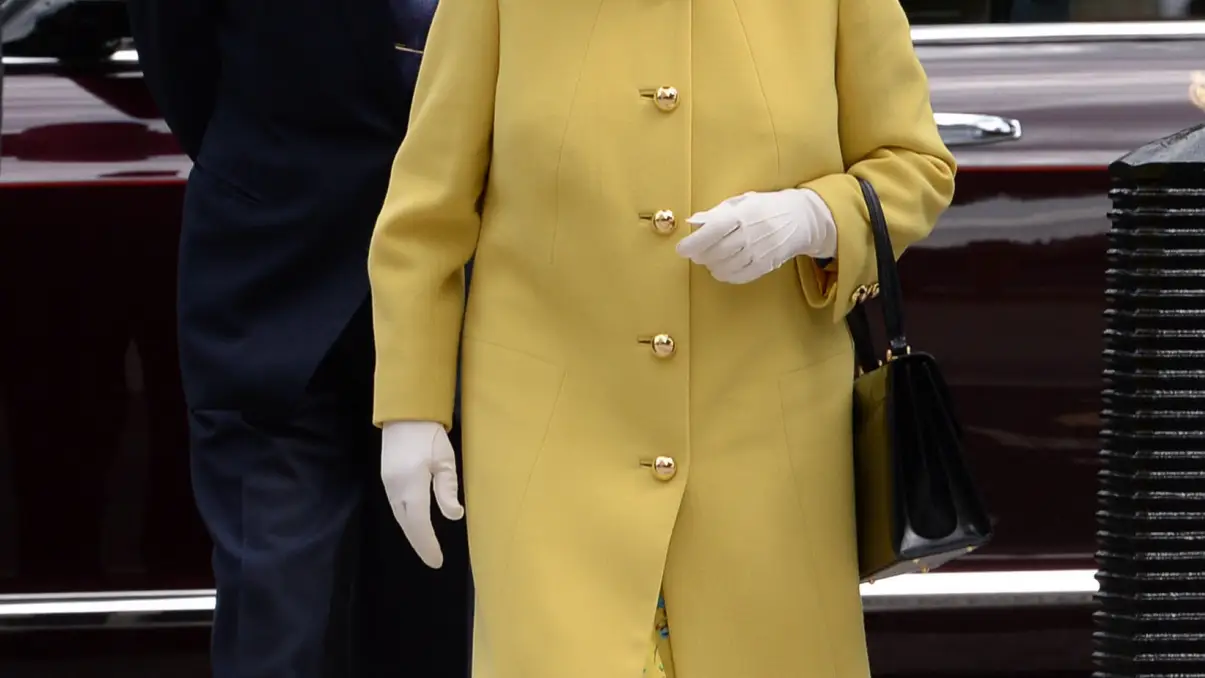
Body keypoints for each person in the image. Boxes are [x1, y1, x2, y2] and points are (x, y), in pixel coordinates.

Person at [369, 0, 955, 676]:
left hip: (767, 450)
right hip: (551, 444)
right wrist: (412, 407)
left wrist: (814, 218)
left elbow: (913, 164)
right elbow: (426, 213)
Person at [125, 0, 470, 676]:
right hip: (276, 277)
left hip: (466, 295)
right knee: (278, 620)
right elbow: (179, 58)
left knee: (440, 621)